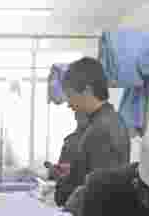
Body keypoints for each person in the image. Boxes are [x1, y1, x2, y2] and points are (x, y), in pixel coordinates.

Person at [54, 57, 131, 207]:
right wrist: (76, 169)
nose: (69, 104)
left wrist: (65, 185)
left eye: (70, 95)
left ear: (87, 91)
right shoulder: (114, 120)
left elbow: (98, 191)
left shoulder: (100, 130)